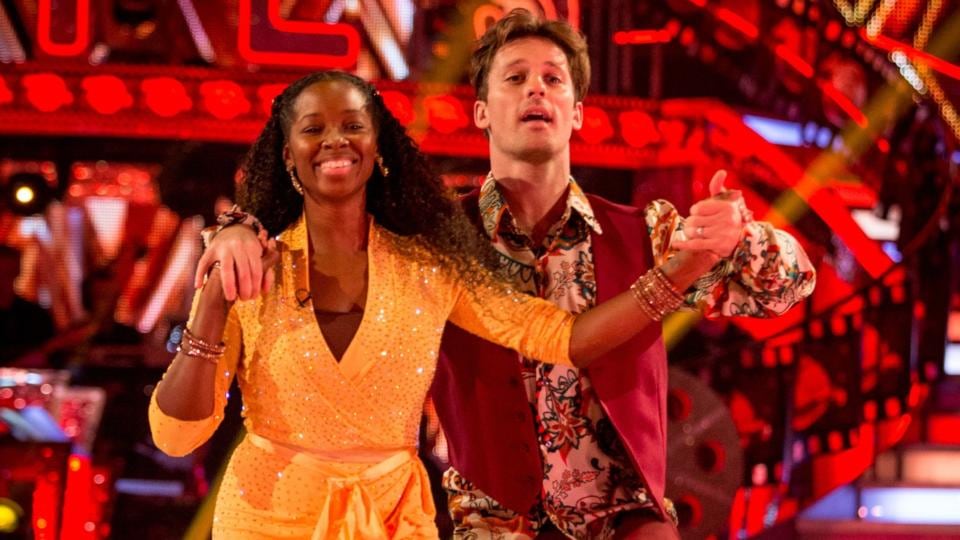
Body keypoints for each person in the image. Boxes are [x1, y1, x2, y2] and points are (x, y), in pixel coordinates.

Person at [151, 70, 736, 539]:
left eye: (353, 124)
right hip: (263, 518)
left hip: (391, 519)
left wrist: (678, 273)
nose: (334, 140)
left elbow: (566, 337)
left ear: (378, 147)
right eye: (312, 128)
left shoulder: (429, 267)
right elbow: (177, 437)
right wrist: (213, 304)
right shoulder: (249, 261)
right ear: (286, 154)